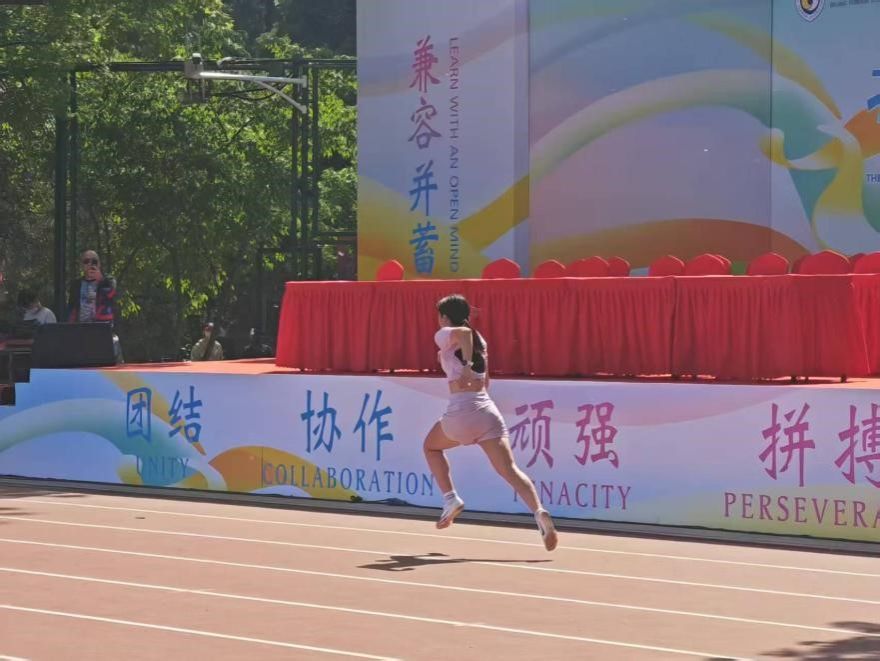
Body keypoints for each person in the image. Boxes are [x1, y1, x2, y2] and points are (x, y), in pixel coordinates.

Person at [423, 294, 558, 551]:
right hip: (487, 410)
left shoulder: (446, 333)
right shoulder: (480, 340)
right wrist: (464, 365)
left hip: (461, 410)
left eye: (439, 315)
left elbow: (462, 333)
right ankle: (539, 511)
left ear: (444, 317)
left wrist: (464, 368)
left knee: (430, 447)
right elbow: (485, 381)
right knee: (510, 470)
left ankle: (450, 498)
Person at [67, 249, 123, 363]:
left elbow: (113, 296)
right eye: (86, 261)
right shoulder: (76, 284)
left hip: (103, 331)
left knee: (109, 363)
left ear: (99, 264)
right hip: (81, 332)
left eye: (94, 261)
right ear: (82, 265)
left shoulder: (109, 281)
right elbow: (72, 308)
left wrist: (100, 279)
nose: (90, 264)